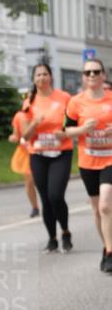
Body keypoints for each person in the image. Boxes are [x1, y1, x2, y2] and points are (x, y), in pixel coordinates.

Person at [64, 60, 112, 273]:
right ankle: (107, 246)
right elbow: (67, 131)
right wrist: (83, 128)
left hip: (110, 159)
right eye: (88, 72)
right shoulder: (76, 102)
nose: (92, 75)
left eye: (96, 72)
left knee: (105, 205)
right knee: (96, 210)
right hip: (88, 161)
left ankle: (110, 253)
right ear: (83, 77)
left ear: (103, 75)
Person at [20, 64, 72, 253]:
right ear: (34, 79)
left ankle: (65, 231)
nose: (41, 78)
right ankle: (52, 238)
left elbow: (74, 122)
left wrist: (65, 132)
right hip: (39, 155)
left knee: (56, 195)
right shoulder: (29, 102)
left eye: (45, 74)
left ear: (51, 77)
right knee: (46, 199)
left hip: (61, 153)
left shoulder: (64, 97)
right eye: (38, 75)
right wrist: (35, 122)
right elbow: (24, 136)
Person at [9, 107, 40, 217]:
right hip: (26, 152)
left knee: (41, 180)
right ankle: (35, 207)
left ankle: (49, 203)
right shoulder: (19, 115)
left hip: (41, 150)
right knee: (29, 181)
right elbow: (16, 135)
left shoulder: (40, 112)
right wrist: (13, 138)